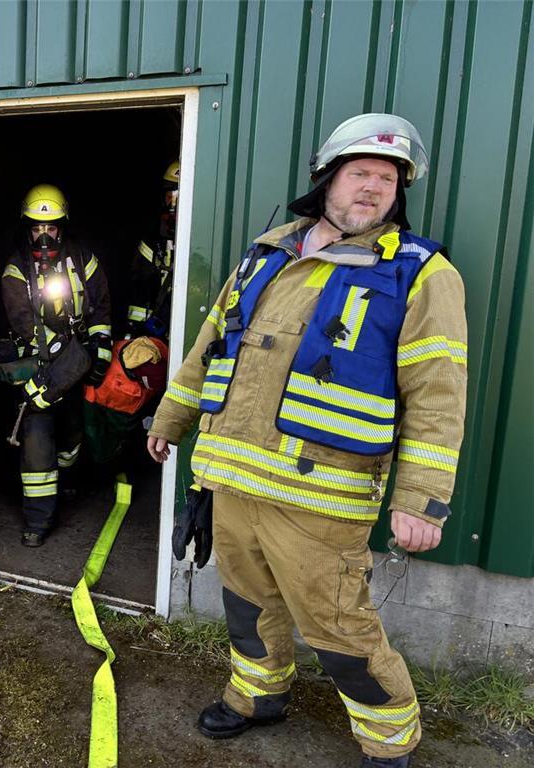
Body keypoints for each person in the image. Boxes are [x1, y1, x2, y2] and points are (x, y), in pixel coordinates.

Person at [146, 114, 467, 767]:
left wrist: (422, 499)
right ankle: (257, 695)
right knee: (245, 603)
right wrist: (169, 419)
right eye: (360, 174)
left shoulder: (420, 273)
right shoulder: (266, 253)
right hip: (232, 477)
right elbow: (211, 346)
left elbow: (439, 393)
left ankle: (388, 742)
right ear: (326, 178)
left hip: (321, 494)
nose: (373, 189)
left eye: (386, 179)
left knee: (339, 628)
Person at [1, 184, 112, 547]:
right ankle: (37, 522)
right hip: (41, 369)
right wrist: (69, 355)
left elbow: (100, 307)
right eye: (36, 227)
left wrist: (100, 350)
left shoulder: (83, 260)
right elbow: (24, 323)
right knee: (37, 440)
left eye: (50, 227)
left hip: (78, 366)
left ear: (61, 226)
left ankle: (69, 483)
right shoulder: (16, 271)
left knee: (73, 434)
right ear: (27, 228)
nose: (44, 235)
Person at [125, 160, 179, 340]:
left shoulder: (202, 242)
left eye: (179, 196)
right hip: (154, 336)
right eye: (169, 195)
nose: (173, 202)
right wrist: (134, 335)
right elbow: (138, 292)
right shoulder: (151, 241)